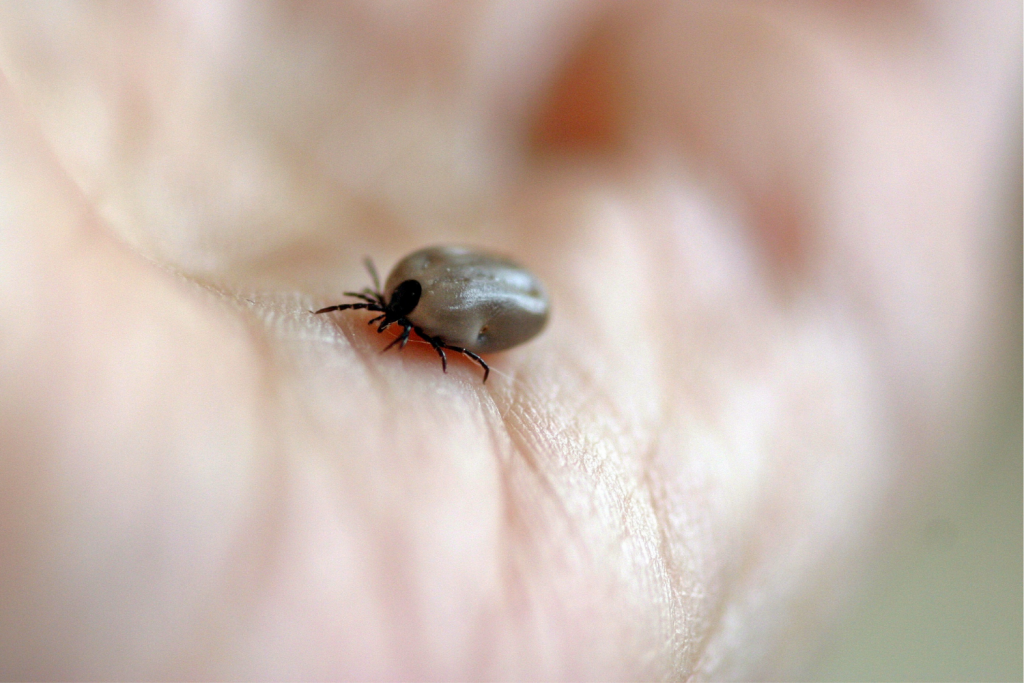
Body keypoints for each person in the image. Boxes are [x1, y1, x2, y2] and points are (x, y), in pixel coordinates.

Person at [0, 2, 1018, 678]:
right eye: (391, 320)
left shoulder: (416, 298)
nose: (384, 329)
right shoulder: (412, 303)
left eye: (390, 322)